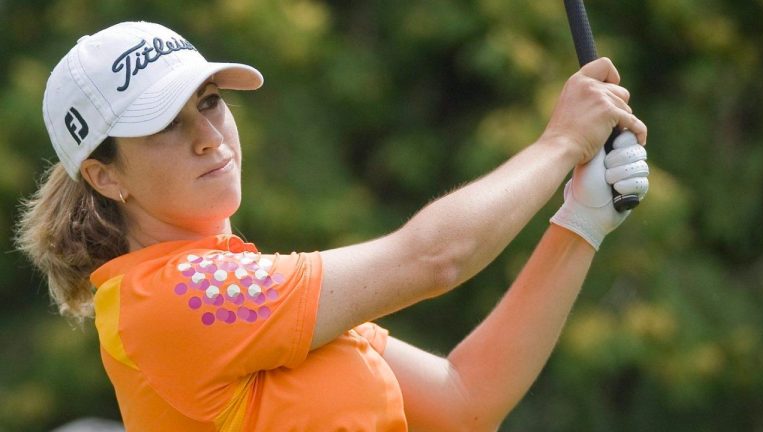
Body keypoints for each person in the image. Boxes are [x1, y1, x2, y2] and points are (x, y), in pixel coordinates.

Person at [16, 21, 649, 431]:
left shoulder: (264, 297)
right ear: (104, 177)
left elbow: (466, 399)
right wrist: (561, 142)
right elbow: (433, 261)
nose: (209, 138)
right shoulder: (172, 298)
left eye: (209, 104)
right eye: (164, 127)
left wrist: (580, 223)